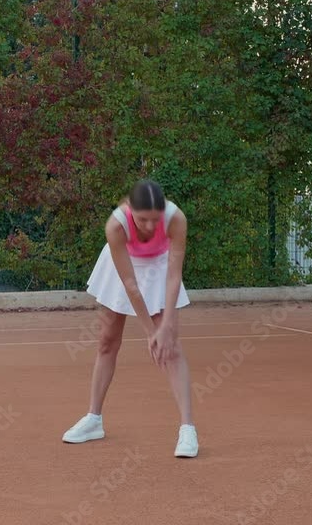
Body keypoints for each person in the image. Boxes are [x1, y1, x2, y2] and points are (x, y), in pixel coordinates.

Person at [61, 179, 198, 458]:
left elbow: (173, 275)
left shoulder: (176, 219)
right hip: (124, 267)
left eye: (154, 219)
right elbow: (131, 285)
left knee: (170, 347)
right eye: (142, 219)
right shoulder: (115, 226)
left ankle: (188, 429)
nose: (149, 226)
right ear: (130, 209)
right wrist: (150, 332)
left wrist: (166, 324)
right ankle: (93, 420)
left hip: (159, 266)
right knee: (107, 342)